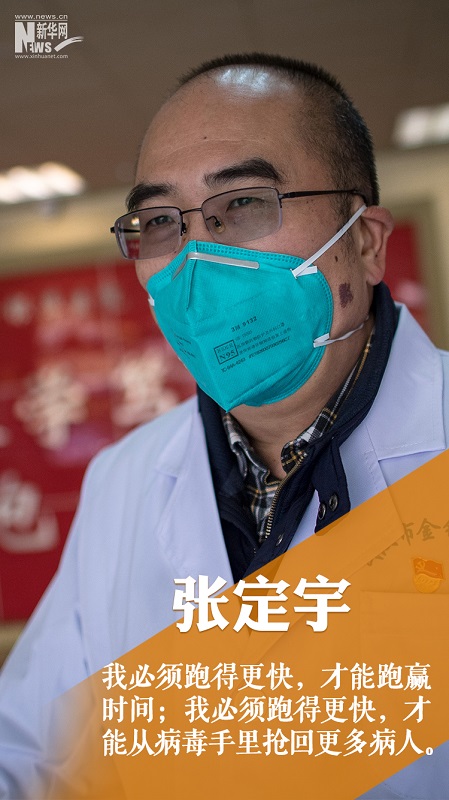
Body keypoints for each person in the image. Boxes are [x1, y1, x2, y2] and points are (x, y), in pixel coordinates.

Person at [1, 52, 448, 799]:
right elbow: (33, 752)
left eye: (242, 204)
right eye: (159, 222)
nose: (193, 261)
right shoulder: (125, 479)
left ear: (366, 243)